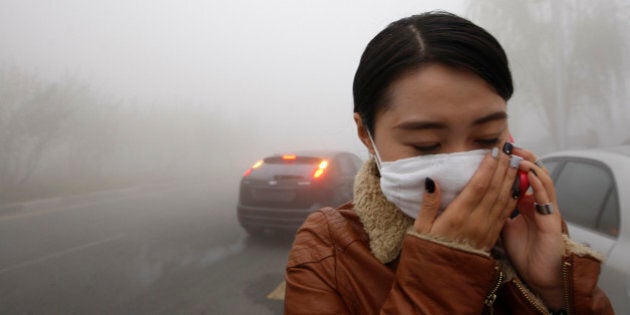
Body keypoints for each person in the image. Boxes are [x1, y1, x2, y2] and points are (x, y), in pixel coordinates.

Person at [283, 11, 613, 314]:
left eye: (487, 137)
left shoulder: (528, 226)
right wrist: (444, 272)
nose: (465, 173)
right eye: (426, 145)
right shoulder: (328, 248)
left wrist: (554, 288)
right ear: (365, 133)